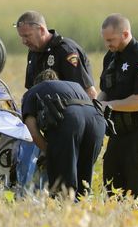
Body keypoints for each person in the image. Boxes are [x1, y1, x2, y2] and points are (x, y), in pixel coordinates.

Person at [97, 13, 138, 198]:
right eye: (105, 40)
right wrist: (95, 105)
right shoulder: (110, 57)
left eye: (111, 40)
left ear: (125, 34)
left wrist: (107, 106)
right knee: (112, 192)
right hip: (117, 134)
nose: (108, 44)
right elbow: (106, 90)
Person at [21, 69, 106, 198]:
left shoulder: (33, 91)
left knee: (63, 188)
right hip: (97, 122)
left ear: (36, 83)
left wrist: (49, 151)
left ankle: (64, 213)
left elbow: (31, 130)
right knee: (83, 184)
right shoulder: (75, 86)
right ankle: (83, 212)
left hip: (71, 121)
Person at [14, 11, 98, 99]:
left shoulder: (66, 51)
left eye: (27, 36)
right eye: (21, 36)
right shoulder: (33, 52)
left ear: (41, 30)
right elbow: (31, 91)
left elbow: (89, 93)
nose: (23, 41)